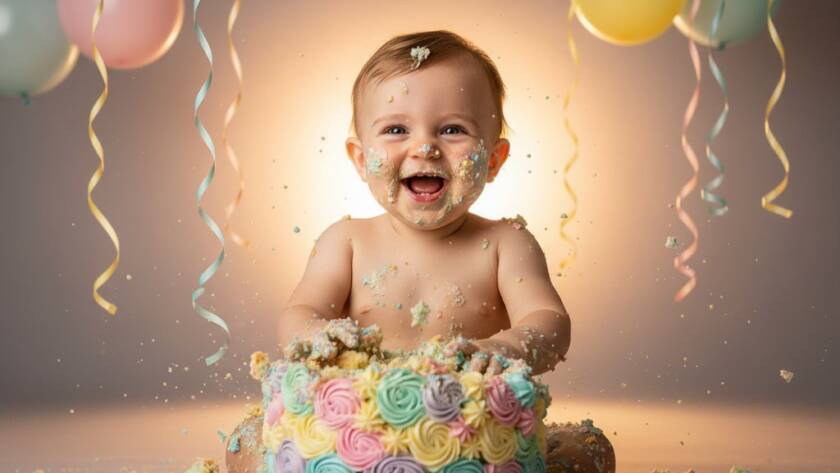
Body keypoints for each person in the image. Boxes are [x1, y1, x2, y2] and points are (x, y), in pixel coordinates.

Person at [226, 30, 614, 473]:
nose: (425, 147)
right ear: (359, 157)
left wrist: (504, 349)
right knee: (245, 441)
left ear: (494, 159)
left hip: (474, 441)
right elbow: (299, 312)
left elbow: (550, 323)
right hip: (356, 438)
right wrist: (318, 337)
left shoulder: (506, 243)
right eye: (395, 129)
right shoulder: (347, 241)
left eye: (453, 129)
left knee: (588, 448)